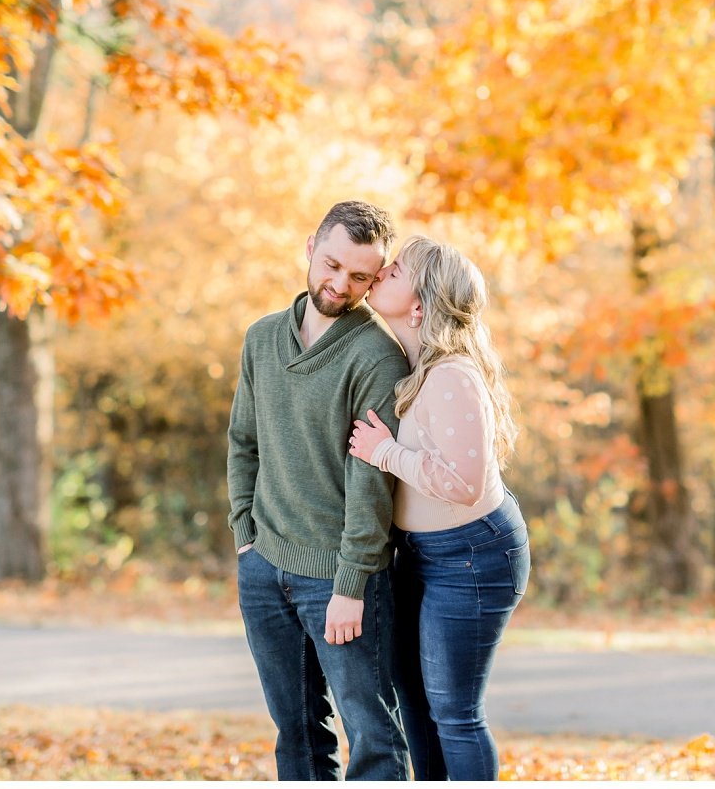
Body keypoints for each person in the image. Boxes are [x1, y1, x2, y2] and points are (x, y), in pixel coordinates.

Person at [227, 200, 411, 781]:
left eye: (360, 276)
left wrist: (351, 583)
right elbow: (243, 441)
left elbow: (371, 482)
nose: (340, 284)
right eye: (332, 265)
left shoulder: (377, 355)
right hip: (264, 567)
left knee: (373, 736)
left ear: (376, 277)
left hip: (339, 578)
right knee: (297, 734)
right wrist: (244, 537)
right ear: (311, 247)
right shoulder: (261, 340)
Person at [349, 235, 531, 781]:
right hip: (422, 553)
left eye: (397, 270)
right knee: (418, 706)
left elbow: (464, 484)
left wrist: (385, 452)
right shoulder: (414, 365)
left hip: (473, 556)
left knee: (454, 713)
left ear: (422, 301)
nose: (382, 272)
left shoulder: (451, 375)